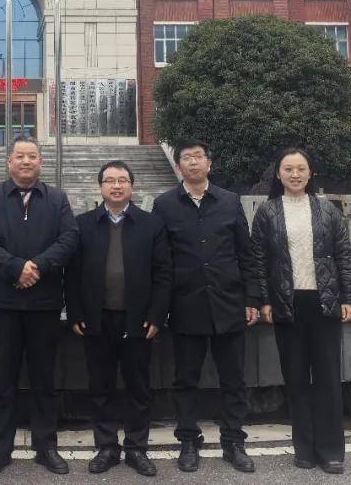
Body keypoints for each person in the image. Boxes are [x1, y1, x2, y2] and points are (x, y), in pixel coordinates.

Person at [152, 140, 260, 474]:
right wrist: (160, 309)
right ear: (179, 166)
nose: (193, 162)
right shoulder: (164, 205)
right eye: (187, 158)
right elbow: (160, 262)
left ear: (209, 164)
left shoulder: (229, 201)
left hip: (228, 303)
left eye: (199, 157)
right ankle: (188, 441)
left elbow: (246, 254)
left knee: (233, 379)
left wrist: (253, 299)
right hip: (186, 305)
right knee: (185, 380)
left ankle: (234, 442)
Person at [250, 148, 351, 475]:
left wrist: (348, 297)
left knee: (327, 378)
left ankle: (331, 451)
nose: (295, 175)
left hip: (324, 303)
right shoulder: (267, 212)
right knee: (296, 379)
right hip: (287, 304)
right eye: (288, 169)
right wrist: (264, 301)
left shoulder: (327, 210)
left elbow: (343, 255)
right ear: (278, 174)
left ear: (310, 173)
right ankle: (305, 448)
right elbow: (259, 261)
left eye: (301, 169)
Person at [0, 137, 79, 476]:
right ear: (9, 162)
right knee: (3, 379)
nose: (25, 161)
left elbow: (69, 239)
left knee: (44, 378)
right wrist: (16, 269)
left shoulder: (57, 199)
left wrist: (37, 267)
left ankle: (46, 446)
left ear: (40, 162)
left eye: (32, 156)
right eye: (19, 156)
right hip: (5, 303)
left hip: (45, 303)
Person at [66, 160, 171, 478]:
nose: (116, 185)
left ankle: (137, 448)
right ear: (100, 187)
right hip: (96, 319)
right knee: (101, 386)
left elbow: (163, 274)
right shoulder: (83, 224)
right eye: (110, 180)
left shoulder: (151, 224)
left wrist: (156, 314)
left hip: (138, 320)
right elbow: (72, 275)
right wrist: (76, 313)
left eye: (122, 180)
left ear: (131, 186)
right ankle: (107, 447)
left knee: (138, 387)